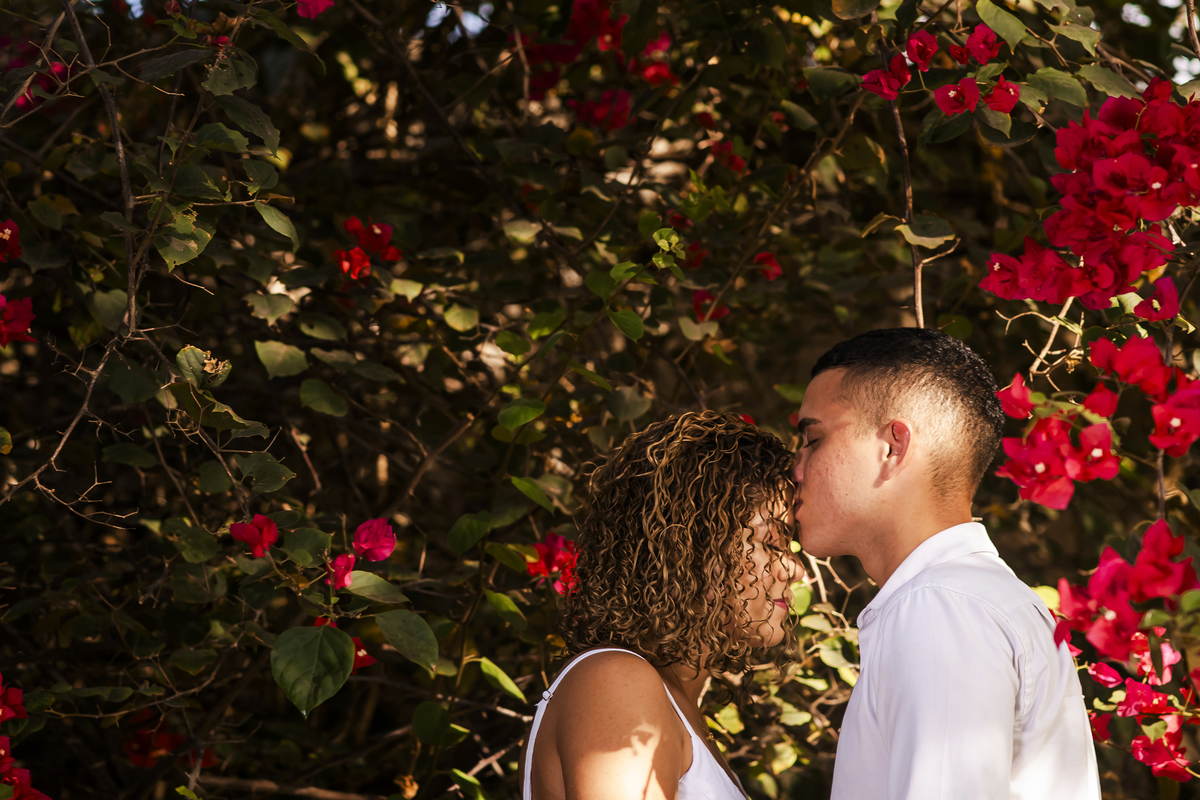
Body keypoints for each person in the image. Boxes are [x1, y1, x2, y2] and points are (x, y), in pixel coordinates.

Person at [792, 327, 1100, 799]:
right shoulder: (966, 598)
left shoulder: (939, 607)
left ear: (894, 446)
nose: (795, 467)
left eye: (812, 438)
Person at [520, 411, 798, 800]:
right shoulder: (616, 681)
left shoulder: (662, 695)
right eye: (772, 542)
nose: (793, 568)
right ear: (695, 547)